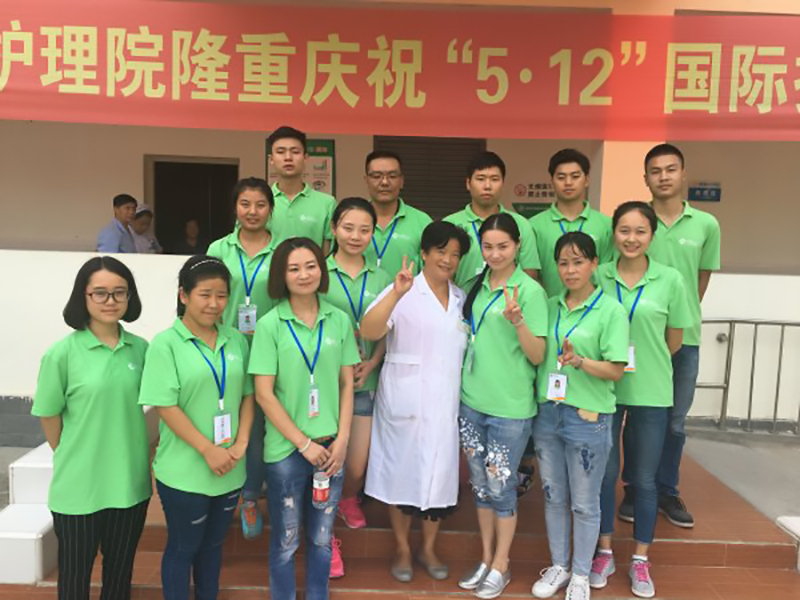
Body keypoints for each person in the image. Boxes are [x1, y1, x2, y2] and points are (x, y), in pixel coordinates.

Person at [32, 256, 150, 600]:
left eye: (119, 292)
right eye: (100, 293)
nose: (110, 301)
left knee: (119, 576)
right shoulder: (61, 354)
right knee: (74, 577)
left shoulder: (141, 349)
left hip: (129, 483)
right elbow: (49, 416)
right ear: (82, 296)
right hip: (78, 486)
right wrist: (74, 453)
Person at [248, 237, 360, 600]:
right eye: (293, 268)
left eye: (311, 266)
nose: (304, 274)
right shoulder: (270, 325)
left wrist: (342, 440)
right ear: (281, 275)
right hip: (286, 451)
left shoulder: (338, 319)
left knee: (322, 539)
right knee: (286, 540)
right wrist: (303, 443)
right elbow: (264, 394)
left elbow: (347, 383)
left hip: (331, 449)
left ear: (321, 270)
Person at [617, 144, 721, 529]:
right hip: (637, 339)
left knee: (675, 421)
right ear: (645, 178)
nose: (663, 176)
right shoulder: (637, 222)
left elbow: (701, 279)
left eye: (670, 169)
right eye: (655, 170)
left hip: (683, 339)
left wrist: (678, 318)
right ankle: (633, 487)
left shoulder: (706, 225)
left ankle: (666, 489)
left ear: (683, 173)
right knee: (636, 415)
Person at [361, 222, 471, 584]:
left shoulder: (461, 299)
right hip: (405, 400)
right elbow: (369, 330)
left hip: (445, 403)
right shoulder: (403, 289)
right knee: (400, 474)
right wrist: (395, 294)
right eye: (441, 251)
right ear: (424, 253)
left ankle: (428, 548)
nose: (448, 259)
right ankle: (403, 549)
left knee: (440, 479)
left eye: (455, 254)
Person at [590, 202, 691, 598]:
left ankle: (640, 559)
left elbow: (674, 340)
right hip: (604, 389)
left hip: (651, 390)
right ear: (613, 233)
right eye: (624, 230)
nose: (631, 239)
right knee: (604, 474)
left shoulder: (670, 280)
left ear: (651, 235)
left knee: (645, 479)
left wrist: (646, 361)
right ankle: (603, 551)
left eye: (640, 231)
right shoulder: (598, 275)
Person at [139, 256, 255, 600]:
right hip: (185, 471)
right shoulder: (166, 344)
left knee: (213, 546)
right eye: (205, 294)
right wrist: (208, 449)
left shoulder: (236, 340)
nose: (214, 304)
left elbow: (248, 395)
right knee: (183, 546)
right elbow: (165, 405)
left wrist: (241, 442)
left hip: (230, 466)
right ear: (184, 295)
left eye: (221, 295)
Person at [531, 232, 629, 600]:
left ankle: (582, 575)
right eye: (563, 263)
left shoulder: (611, 310)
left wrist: (580, 361)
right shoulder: (549, 305)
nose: (570, 270)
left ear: (593, 264)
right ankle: (560, 566)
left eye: (578, 262)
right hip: (548, 413)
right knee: (553, 495)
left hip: (588, 417)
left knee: (585, 503)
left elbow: (616, 369)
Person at [457, 213, 548, 599]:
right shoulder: (476, 284)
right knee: (480, 486)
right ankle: (486, 558)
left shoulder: (529, 291)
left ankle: (502, 564)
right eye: (488, 246)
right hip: (471, 402)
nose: (495, 254)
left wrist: (519, 322)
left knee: (501, 487)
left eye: (503, 246)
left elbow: (538, 354)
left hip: (509, 408)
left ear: (517, 246)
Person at [320, 198, 392, 576]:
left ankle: (349, 498)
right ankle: (326, 532)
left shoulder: (382, 278)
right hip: (324, 383)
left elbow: (390, 330)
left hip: (365, 379)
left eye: (365, 230)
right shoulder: (318, 272)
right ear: (334, 228)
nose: (355, 236)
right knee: (324, 463)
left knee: (357, 463)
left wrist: (373, 362)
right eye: (348, 228)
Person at [207, 177, 277, 540]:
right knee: (225, 421)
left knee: (260, 429)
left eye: (260, 204)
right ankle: (219, 492)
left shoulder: (282, 250)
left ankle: (250, 498)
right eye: (245, 204)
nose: (252, 211)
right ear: (235, 208)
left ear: (271, 209)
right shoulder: (218, 248)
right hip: (227, 348)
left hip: (269, 350)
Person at [444, 151, 540, 290]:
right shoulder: (450, 224)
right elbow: (441, 274)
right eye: (480, 179)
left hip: (507, 302)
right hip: (460, 302)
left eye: (494, 179)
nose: (487, 186)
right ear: (468, 183)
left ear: (503, 183)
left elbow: (529, 274)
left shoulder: (521, 224)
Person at [529, 149, 613, 297]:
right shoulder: (533, 226)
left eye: (575, 176)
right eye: (561, 177)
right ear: (552, 181)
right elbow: (531, 277)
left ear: (586, 180)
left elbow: (607, 275)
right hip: (548, 308)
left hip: (594, 308)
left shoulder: (606, 225)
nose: (568, 183)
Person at [362, 150, 433, 278]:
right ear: (366, 180)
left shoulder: (422, 221)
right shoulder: (352, 219)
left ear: (401, 181)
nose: (384, 182)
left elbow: (430, 273)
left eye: (392, 176)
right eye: (377, 176)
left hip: (408, 291)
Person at [267, 126, 336, 253]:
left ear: (305, 158)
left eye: (295, 152)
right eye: (281, 152)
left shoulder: (327, 203)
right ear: (271, 159)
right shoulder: (260, 202)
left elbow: (327, 255)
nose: (288, 157)